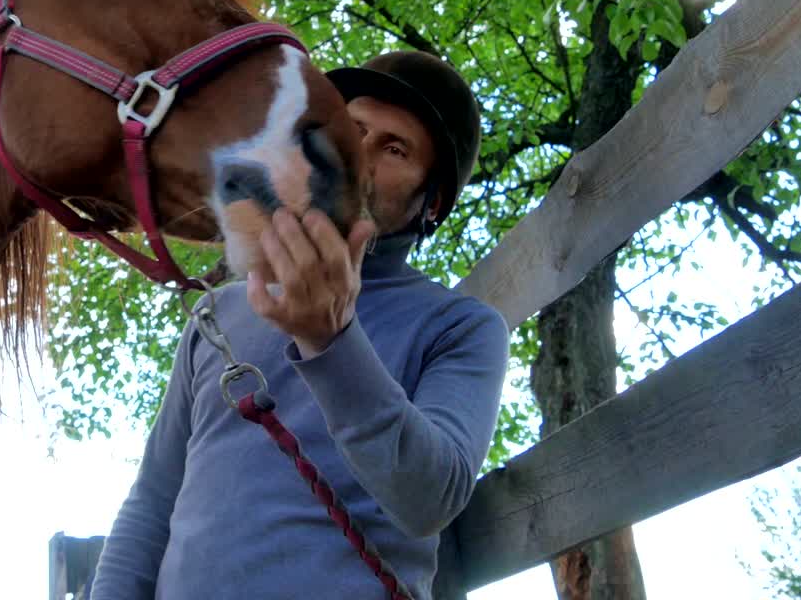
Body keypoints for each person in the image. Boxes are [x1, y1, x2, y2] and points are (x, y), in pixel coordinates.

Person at [88, 51, 510, 600]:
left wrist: (331, 343)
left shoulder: (460, 327)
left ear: (431, 204)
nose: (358, 154)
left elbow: (433, 497)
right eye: (351, 129)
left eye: (395, 148)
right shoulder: (218, 311)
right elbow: (152, 500)